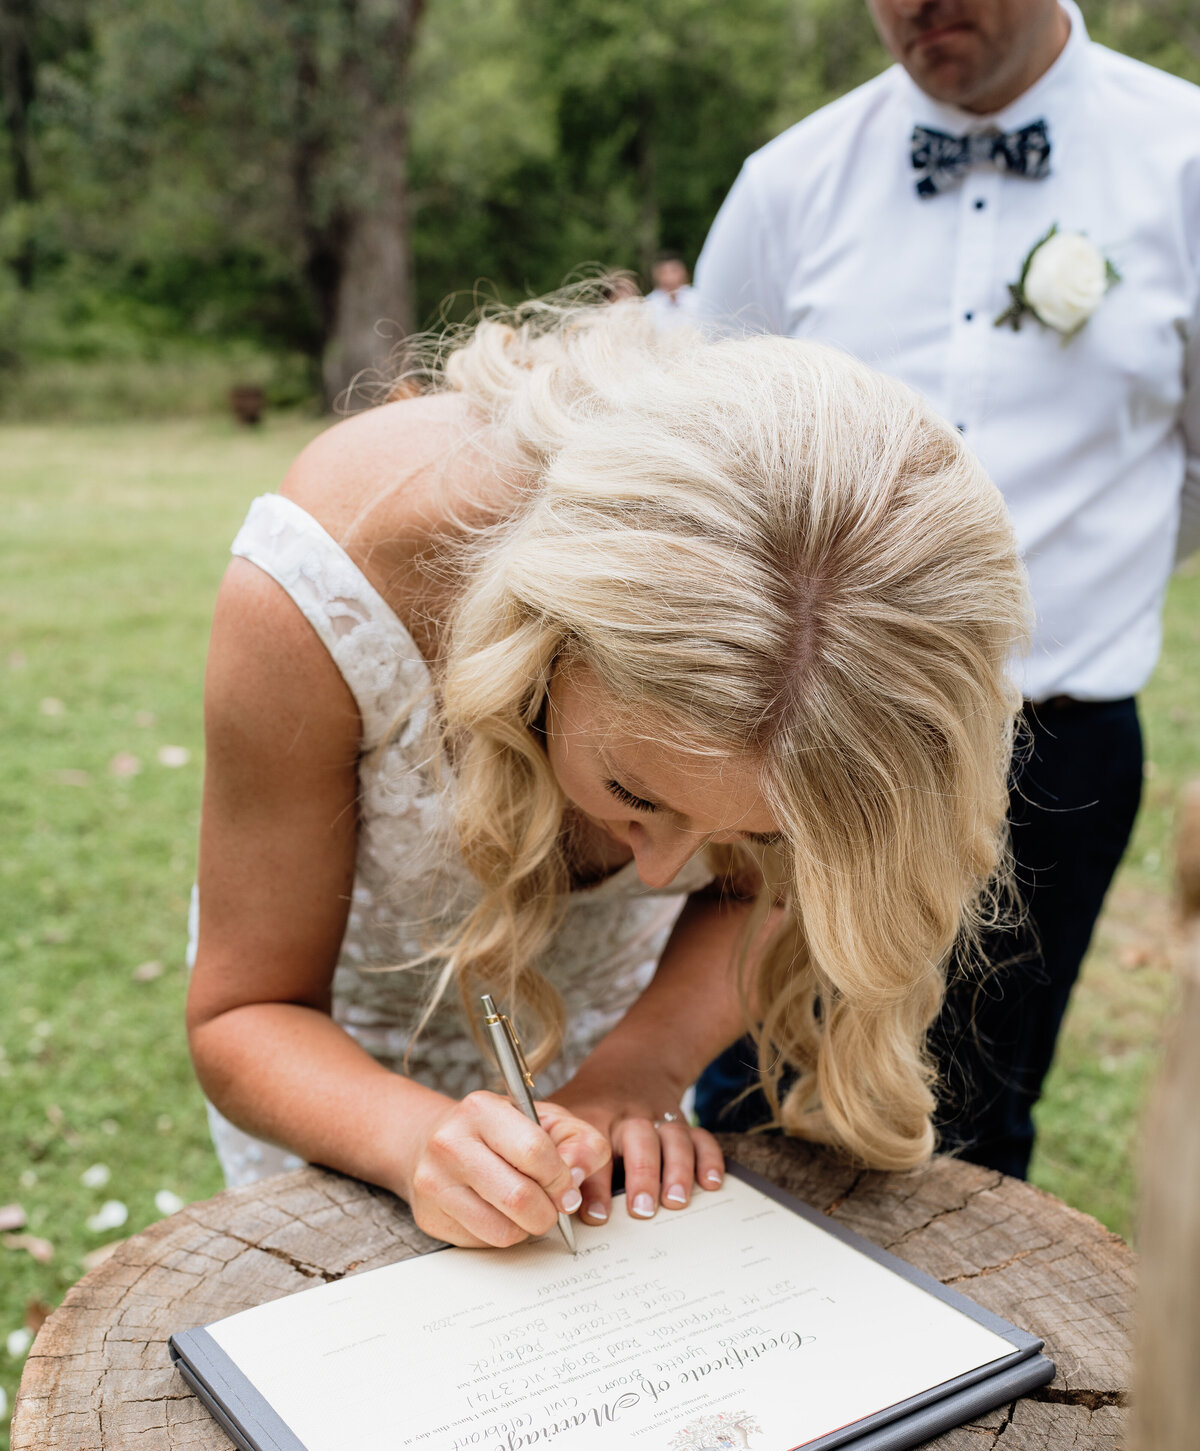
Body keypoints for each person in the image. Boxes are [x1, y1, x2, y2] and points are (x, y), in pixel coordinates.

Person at [186, 296, 1028, 1253]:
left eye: (755, 835)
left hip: (599, 1043)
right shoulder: (336, 566)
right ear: (546, 644)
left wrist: (641, 1064)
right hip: (330, 1067)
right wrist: (412, 1135)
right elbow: (244, 1012)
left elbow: (754, 904)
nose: (666, 875)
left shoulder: (839, 669)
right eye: (636, 796)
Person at [694, 0, 1200, 1178]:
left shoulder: (1184, 157)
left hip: (1055, 752)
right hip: (798, 745)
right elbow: (701, 458)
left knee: (967, 1128)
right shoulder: (788, 182)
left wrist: (1079, 580)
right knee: (743, 1090)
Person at [645, 252, 701, 330]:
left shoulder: (697, 298)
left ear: (683, 272)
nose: (669, 277)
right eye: (663, 272)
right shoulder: (649, 304)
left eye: (674, 271)